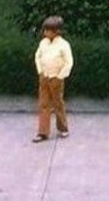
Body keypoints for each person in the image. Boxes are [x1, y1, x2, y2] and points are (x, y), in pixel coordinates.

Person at [33, 15, 74, 143]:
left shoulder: (63, 45)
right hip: (45, 76)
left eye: (48, 30)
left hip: (56, 78)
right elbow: (38, 57)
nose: (45, 33)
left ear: (56, 31)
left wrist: (60, 76)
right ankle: (43, 132)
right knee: (43, 104)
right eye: (44, 30)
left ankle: (63, 128)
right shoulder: (43, 43)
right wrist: (40, 71)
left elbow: (69, 62)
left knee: (58, 103)